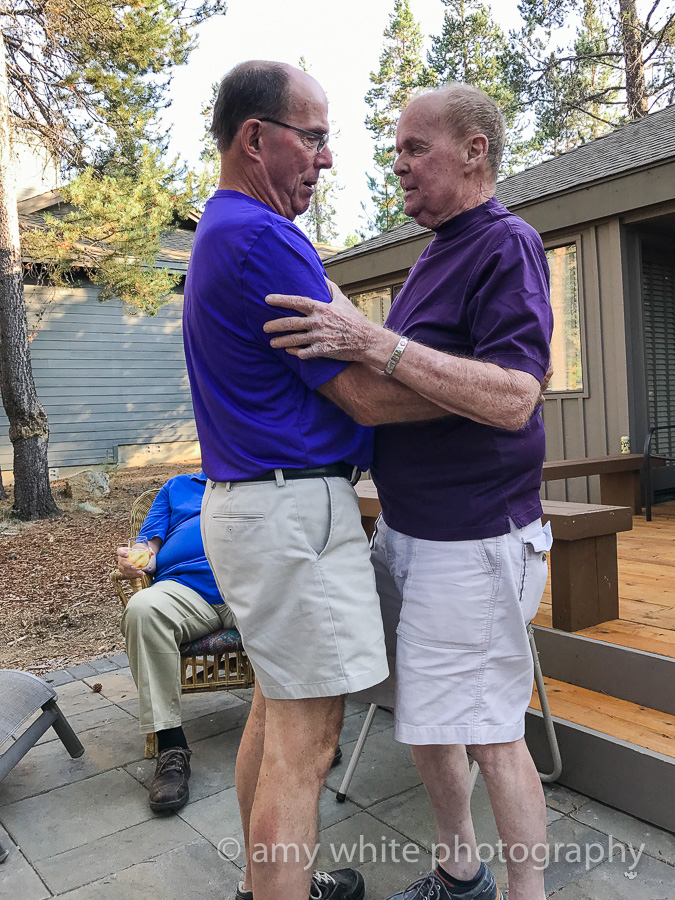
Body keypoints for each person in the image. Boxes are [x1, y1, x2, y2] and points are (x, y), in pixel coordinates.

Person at [265, 83, 554, 900]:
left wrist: (373, 344)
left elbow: (513, 395)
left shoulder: (506, 244)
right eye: (395, 150)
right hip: (409, 532)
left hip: (475, 538)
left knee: (491, 732)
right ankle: (460, 873)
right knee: (426, 718)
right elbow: (408, 386)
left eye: (414, 148)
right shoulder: (434, 252)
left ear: (474, 151)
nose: (396, 165)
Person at [181, 61, 457, 900]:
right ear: (254, 138)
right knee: (307, 745)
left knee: (274, 715)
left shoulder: (223, 229)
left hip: (253, 506)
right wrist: (484, 394)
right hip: (292, 513)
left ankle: (265, 886)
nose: (327, 158)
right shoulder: (265, 239)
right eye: (313, 137)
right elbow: (365, 394)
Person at [117, 471, 236, 814]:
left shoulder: (255, 479)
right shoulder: (177, 488)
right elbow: (148, 547)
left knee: (291, 605)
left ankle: (298, 726)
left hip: (245, 584)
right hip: (184, 589)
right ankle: (171, 747)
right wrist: (136, 559)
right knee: (142, 609)